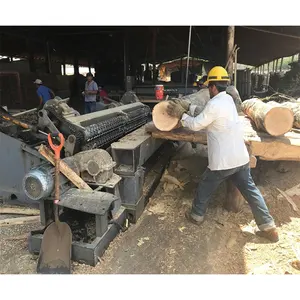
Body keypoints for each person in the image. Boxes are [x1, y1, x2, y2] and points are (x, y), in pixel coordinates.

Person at [166, 66, 279, 243]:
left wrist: (182, 115)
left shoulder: (214, 103)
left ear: (212, 87)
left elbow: (196, 124)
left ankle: (196, 215)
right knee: (250, 190)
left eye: (207, 87)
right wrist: (189, 106)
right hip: (241, 158)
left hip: (224, 161)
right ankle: (268, 226)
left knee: (205, 184)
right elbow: (208, 113)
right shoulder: (228, 100)